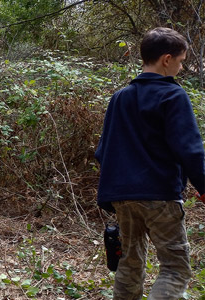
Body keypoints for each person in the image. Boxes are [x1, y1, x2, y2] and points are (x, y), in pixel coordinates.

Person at [95, 27, 205, 299]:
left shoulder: (120, 97)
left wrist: (114, 191)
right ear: (166, 59)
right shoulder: (173, 95)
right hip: (160, 196)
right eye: (180, 62)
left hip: (123, 196)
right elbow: (190, 149)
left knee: (128, 265)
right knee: (175, 268)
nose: (180, 68)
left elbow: (102, 150)